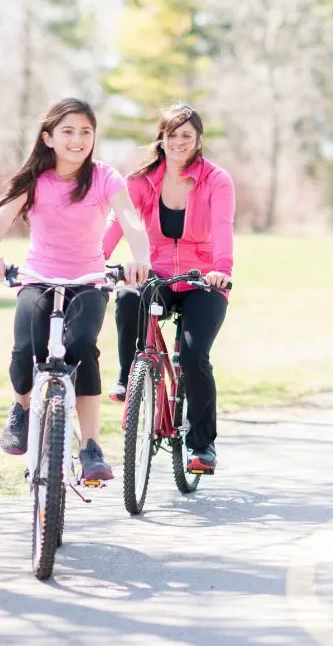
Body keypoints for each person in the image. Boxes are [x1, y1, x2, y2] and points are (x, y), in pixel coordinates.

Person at [0, 97, 151, 482]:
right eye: (68, 131)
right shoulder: (35, 181)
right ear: (49, 137)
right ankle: (21, 409)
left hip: (88, 281)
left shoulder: (105, 177)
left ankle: (90, 446)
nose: (77, 140)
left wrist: (140, 257)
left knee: (82, 349)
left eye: (86, 132)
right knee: (27, 348)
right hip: (38, 278)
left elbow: (131, 222)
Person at [103, 102, 234, 475]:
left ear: (198, 140)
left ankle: (202, 445)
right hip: (155, 273)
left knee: (194, 358)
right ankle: (130, 376)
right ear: (161, 138)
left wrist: (221, 270)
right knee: (128, 296)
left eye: (186, 136)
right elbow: (117, 223)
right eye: (172, 135)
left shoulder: (216, 179)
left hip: (202, 279)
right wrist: (96, 261)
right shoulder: (141, 181)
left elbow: (223, 225)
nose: (179, 142)